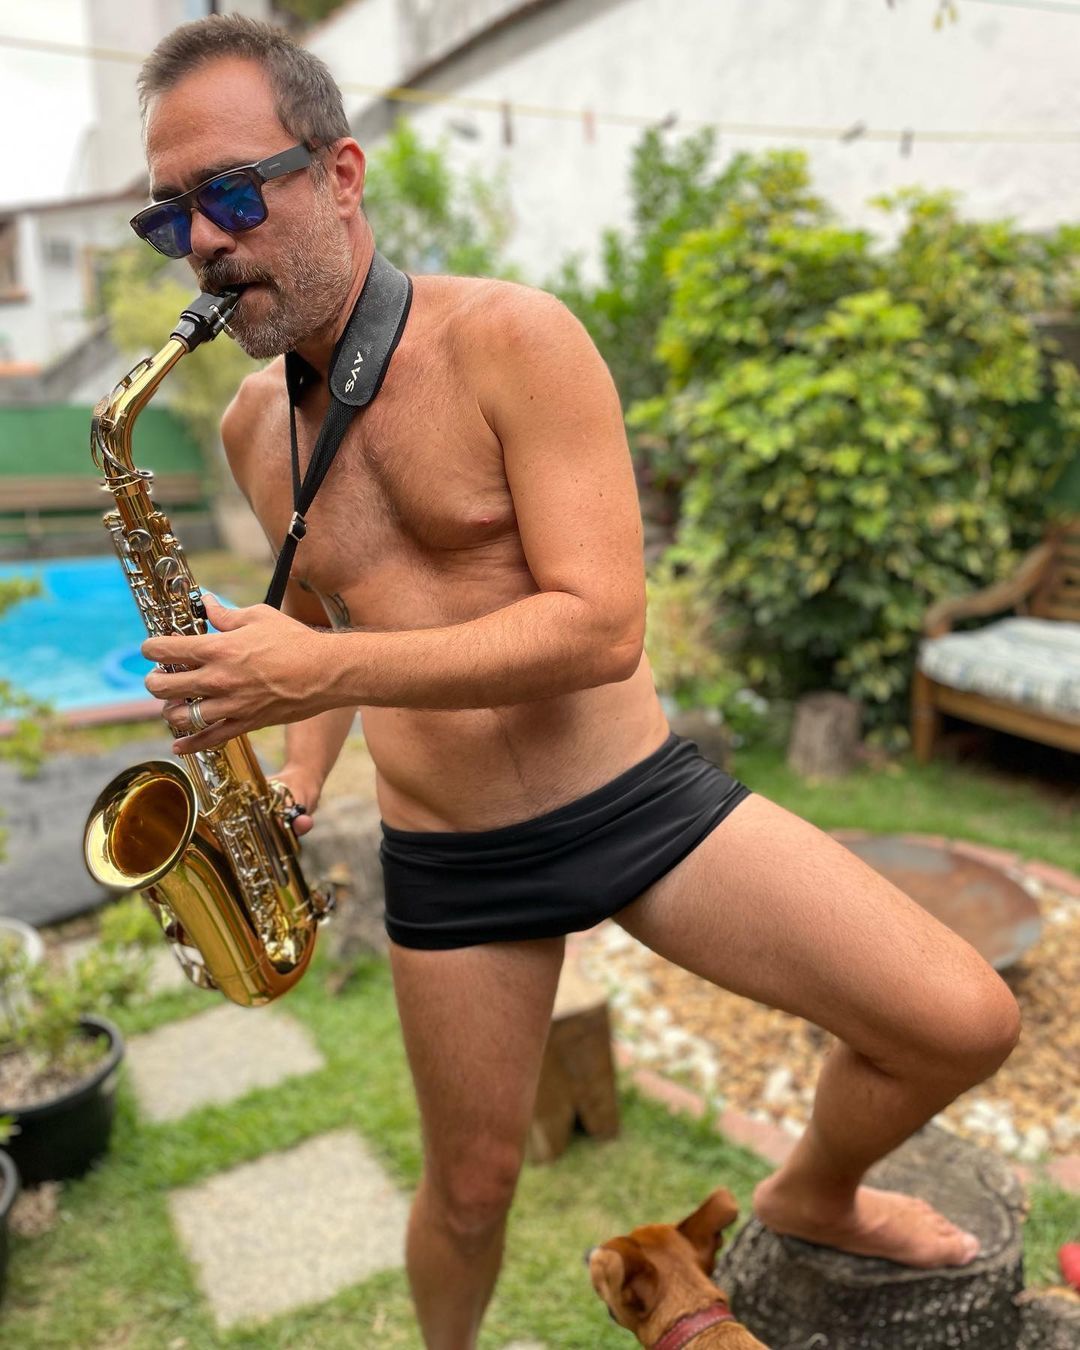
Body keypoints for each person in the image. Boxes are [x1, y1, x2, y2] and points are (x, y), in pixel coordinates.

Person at [134, 16, 1021, 1350]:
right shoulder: (255, 425)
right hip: (450, 857)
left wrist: (315, 668)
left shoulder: (516, 340)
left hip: (636, 806)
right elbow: (321, 600)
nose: (203, 241)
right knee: (468, 1191)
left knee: (962, 1018)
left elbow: (600, 627)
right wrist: (300, 769)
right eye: (172, 218)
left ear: (341, 173)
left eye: (232, 195)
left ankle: (814, 1190)